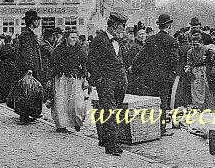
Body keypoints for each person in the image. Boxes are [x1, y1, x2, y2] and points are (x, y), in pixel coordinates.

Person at [87, 12, 128, 156]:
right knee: (110, 112)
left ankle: (105, 139)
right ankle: (112, 145)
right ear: (114, 26)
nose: (122, 31)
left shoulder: (119, 41)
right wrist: (100, 79)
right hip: (106, 83)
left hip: (119, 82)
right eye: (121, 28)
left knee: (114, 111)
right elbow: (91, 61)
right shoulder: (99, 39)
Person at [132, 14, 179, 136]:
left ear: (159, 26)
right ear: (168, 25)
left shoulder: (150, 39)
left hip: (150, 77)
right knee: (163, 104)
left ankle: (150, 128)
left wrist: (134, 67)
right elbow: (174, 60)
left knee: (151, 103)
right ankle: (161, 129)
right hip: (165, 79)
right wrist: (171, 74)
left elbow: (140, 57)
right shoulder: (172, 41)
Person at [51, 30, 88, 133]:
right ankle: (61, 125)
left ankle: (76, 122)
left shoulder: (79, 49)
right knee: (61, 102)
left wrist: (85, 76)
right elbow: (53, 63)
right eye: (72, 37)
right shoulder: (59, 49)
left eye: (76, 38)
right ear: (66, 38)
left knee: (77, 102)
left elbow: (85, 62)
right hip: (62, 78)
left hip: (75, 78)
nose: (74, 40)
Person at [14, 10, 43, 124]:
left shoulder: (28, 33)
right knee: (27, 91)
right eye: (36, 20)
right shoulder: (27, 34)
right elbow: (27, 53)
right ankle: (24, 116)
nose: (38, 22)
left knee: (29, 91)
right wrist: (29, 68)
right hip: (27, 68)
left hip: (30, 67)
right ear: (31, 21)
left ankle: (28, 114)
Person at [185, 33, 210, 109]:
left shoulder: (205, 49)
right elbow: (189, 62)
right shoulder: (190, 51)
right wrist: (189, 70)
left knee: (205, 89)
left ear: (201, 43)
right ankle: (197, 107)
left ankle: (206, 107)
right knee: (196, 90)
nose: (195, 46)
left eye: (197, 44)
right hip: (195, 71)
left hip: (204, 70)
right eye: (194, 44)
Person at [125, 22, 147, 95]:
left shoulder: (143, 46)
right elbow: (129, 63)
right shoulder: (135, 47)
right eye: (140, 34)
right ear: (136, 36)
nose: (143, 36)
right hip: (136, 76)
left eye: (144, 33)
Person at [0, 35, 16, 102]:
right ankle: (9, 96)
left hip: (3, 66)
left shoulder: (1, 49)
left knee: (2, 81)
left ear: (4, 41)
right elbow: (15, 58)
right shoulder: (13, 49)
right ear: (10, 41)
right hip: (11, 66)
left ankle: (2, 96)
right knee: (9, 81)